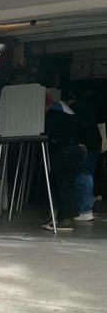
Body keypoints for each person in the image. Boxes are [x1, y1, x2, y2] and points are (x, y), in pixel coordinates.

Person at [43, 94, 89, 231]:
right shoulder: (66, 111)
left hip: (64, 150)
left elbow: (47, 132)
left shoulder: (52, 114)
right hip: (79, 149)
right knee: (69, 184)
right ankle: (66, 217)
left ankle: (67, 219)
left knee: (63, 185)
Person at [65, 88, 102, 222]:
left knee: (83, 176)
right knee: (88, 174)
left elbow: (78, 128)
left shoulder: (76, 109)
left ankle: (84, 209)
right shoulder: (86, 106)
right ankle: (86, 206)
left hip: (87, 145)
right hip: (95, 143)